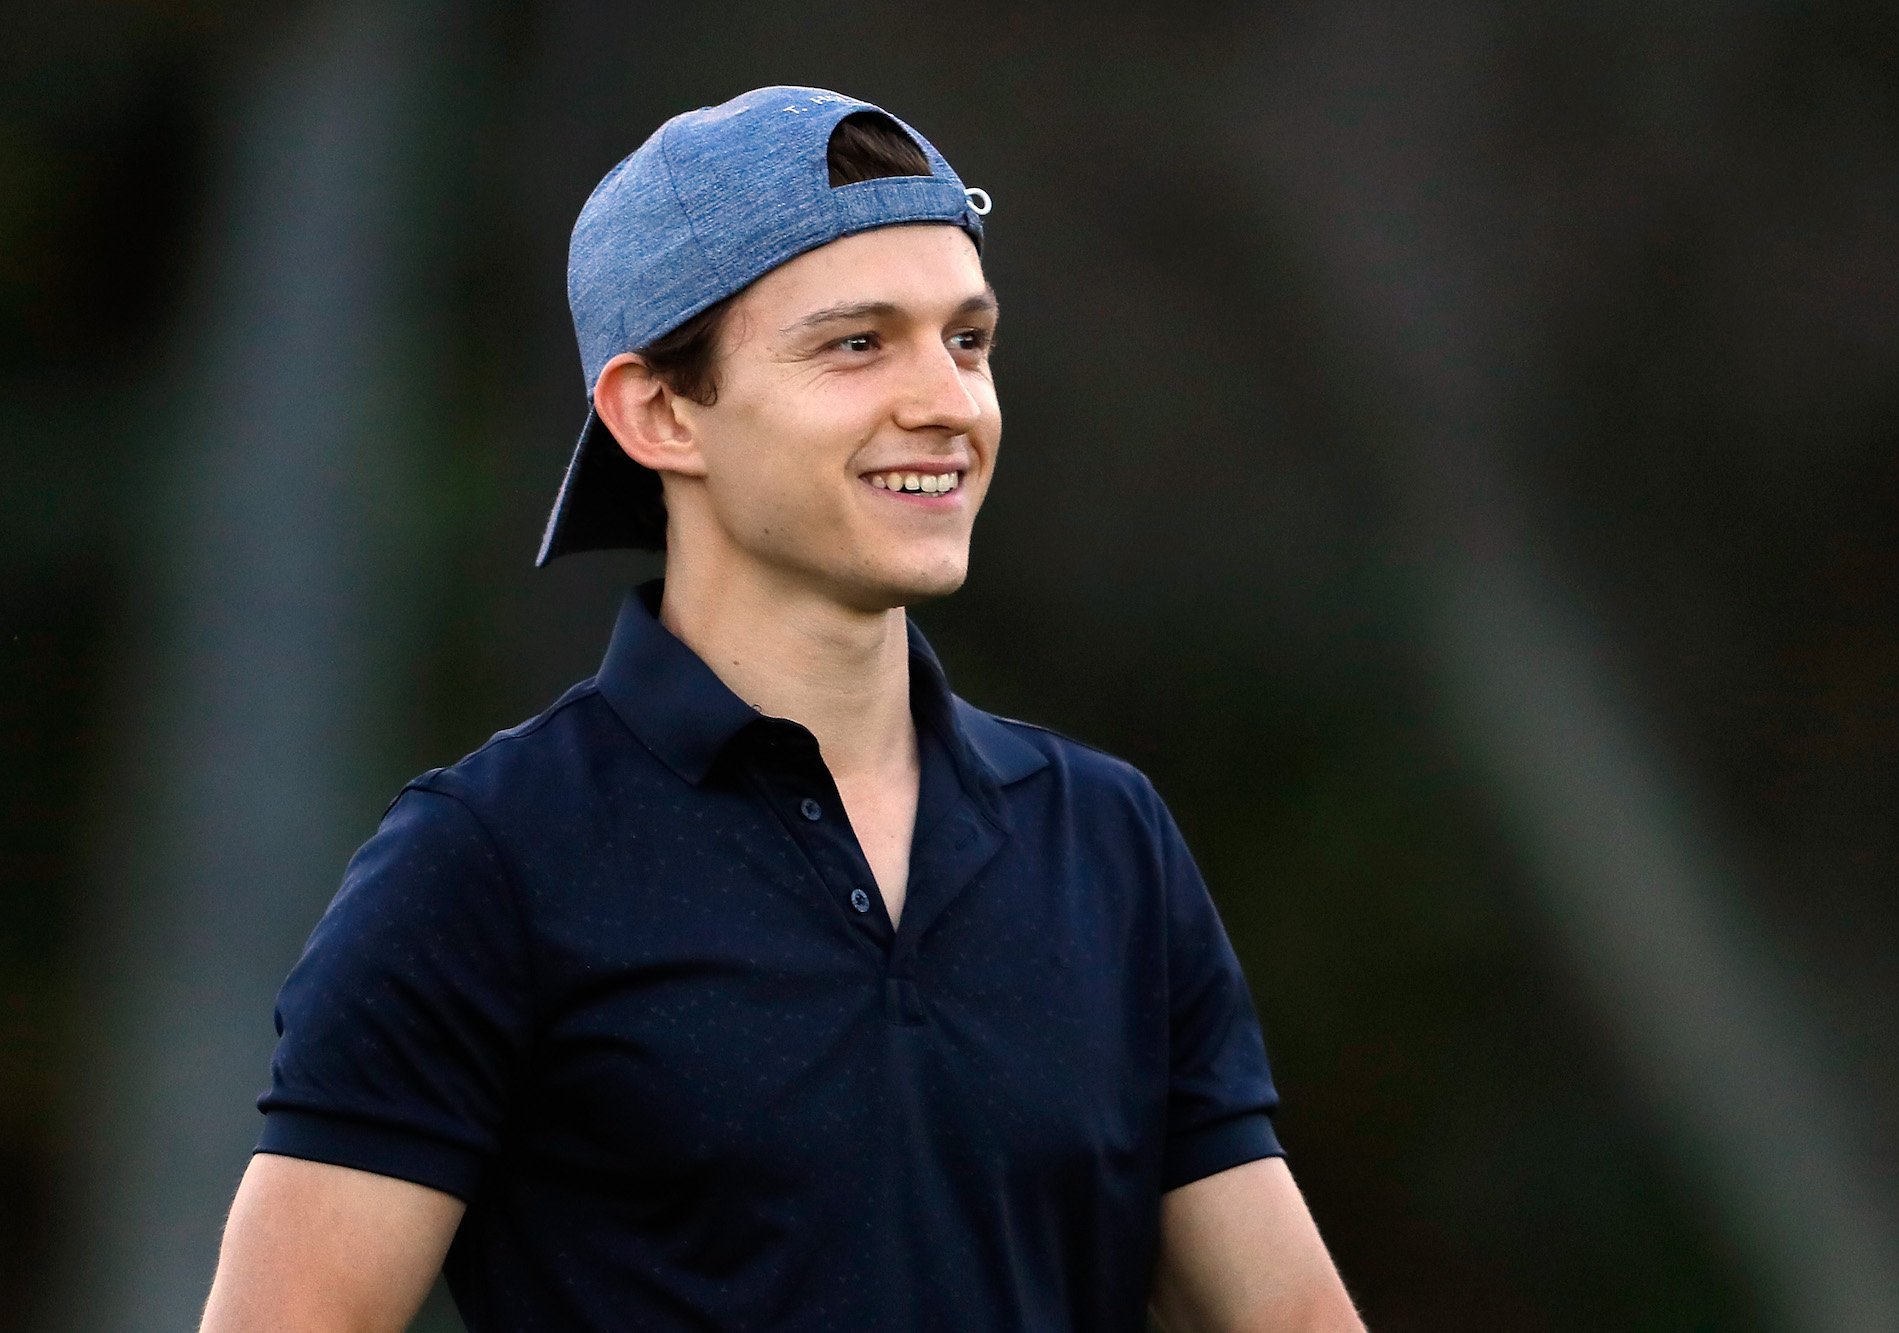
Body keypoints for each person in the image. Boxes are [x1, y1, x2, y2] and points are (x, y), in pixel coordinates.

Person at [199, 86, 1365, 1332]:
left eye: (966, 340)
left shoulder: (1104, 838)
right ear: (656, 412)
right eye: (856, 343)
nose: (948, 402)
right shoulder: (488, 860)